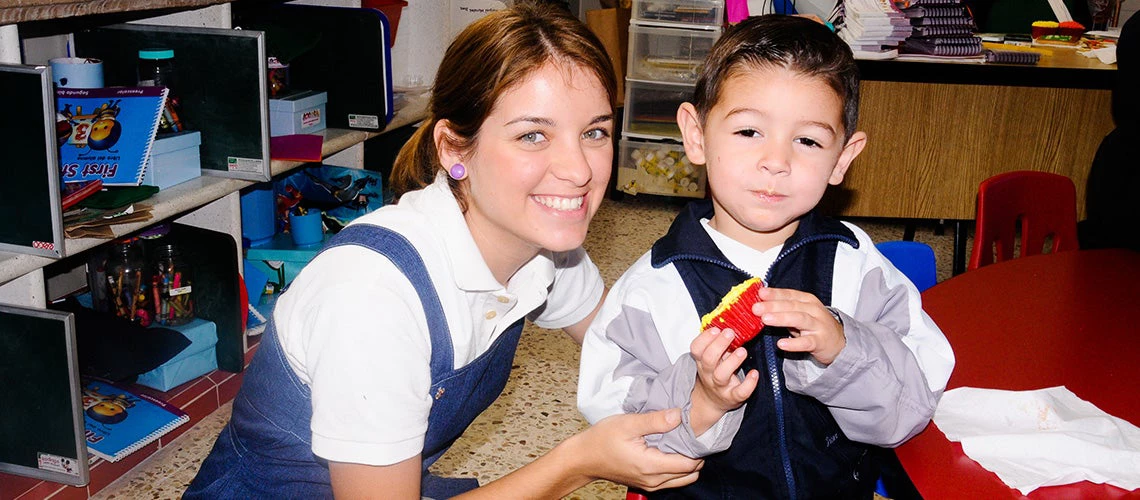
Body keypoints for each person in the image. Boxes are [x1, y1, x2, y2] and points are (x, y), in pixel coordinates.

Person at [184, 3, 703, 499]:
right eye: (532, 136)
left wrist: (715, 376)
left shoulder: (545, 248)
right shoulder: (372, 300)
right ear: (455, 148)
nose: (579, 169)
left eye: (594, 132)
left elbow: (626, 342)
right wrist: (578, 462)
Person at [577, 14, 955, 498]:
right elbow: (624, 446)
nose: (776, 161)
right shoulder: (650, 291)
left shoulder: (855, 262)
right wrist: (702, 401)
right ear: (696, 134)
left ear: (842, 157)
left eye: (808, 141)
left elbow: (912, 407)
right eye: (749, 132)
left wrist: (845, 351)